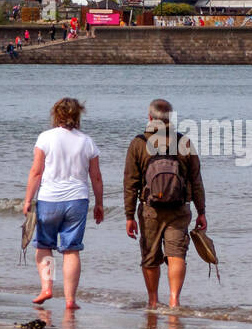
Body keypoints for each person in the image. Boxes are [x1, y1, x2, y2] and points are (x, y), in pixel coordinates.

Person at [22, 97, 104, 311]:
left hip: (49, 199)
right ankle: (70, 300)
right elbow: (96, 177)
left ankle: (47, 288)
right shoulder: (87, 141)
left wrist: (28, 199)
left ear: (56, 115)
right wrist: (99, 204)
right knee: (71, 251)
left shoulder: (45, 138)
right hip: (77, 200)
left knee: (44, 245)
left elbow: (36, 172)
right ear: (78, 116)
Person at [123, 98, 206, 309]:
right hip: (179, 208)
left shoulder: (139, 143)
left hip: (150, 210)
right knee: (176, 254)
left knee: (150, 257)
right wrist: (202, 211)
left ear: (150, 117)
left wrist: (129, 215)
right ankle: (174, 300)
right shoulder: (184, 142)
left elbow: (130, 182)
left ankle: (152, 301)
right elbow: (196, 180)